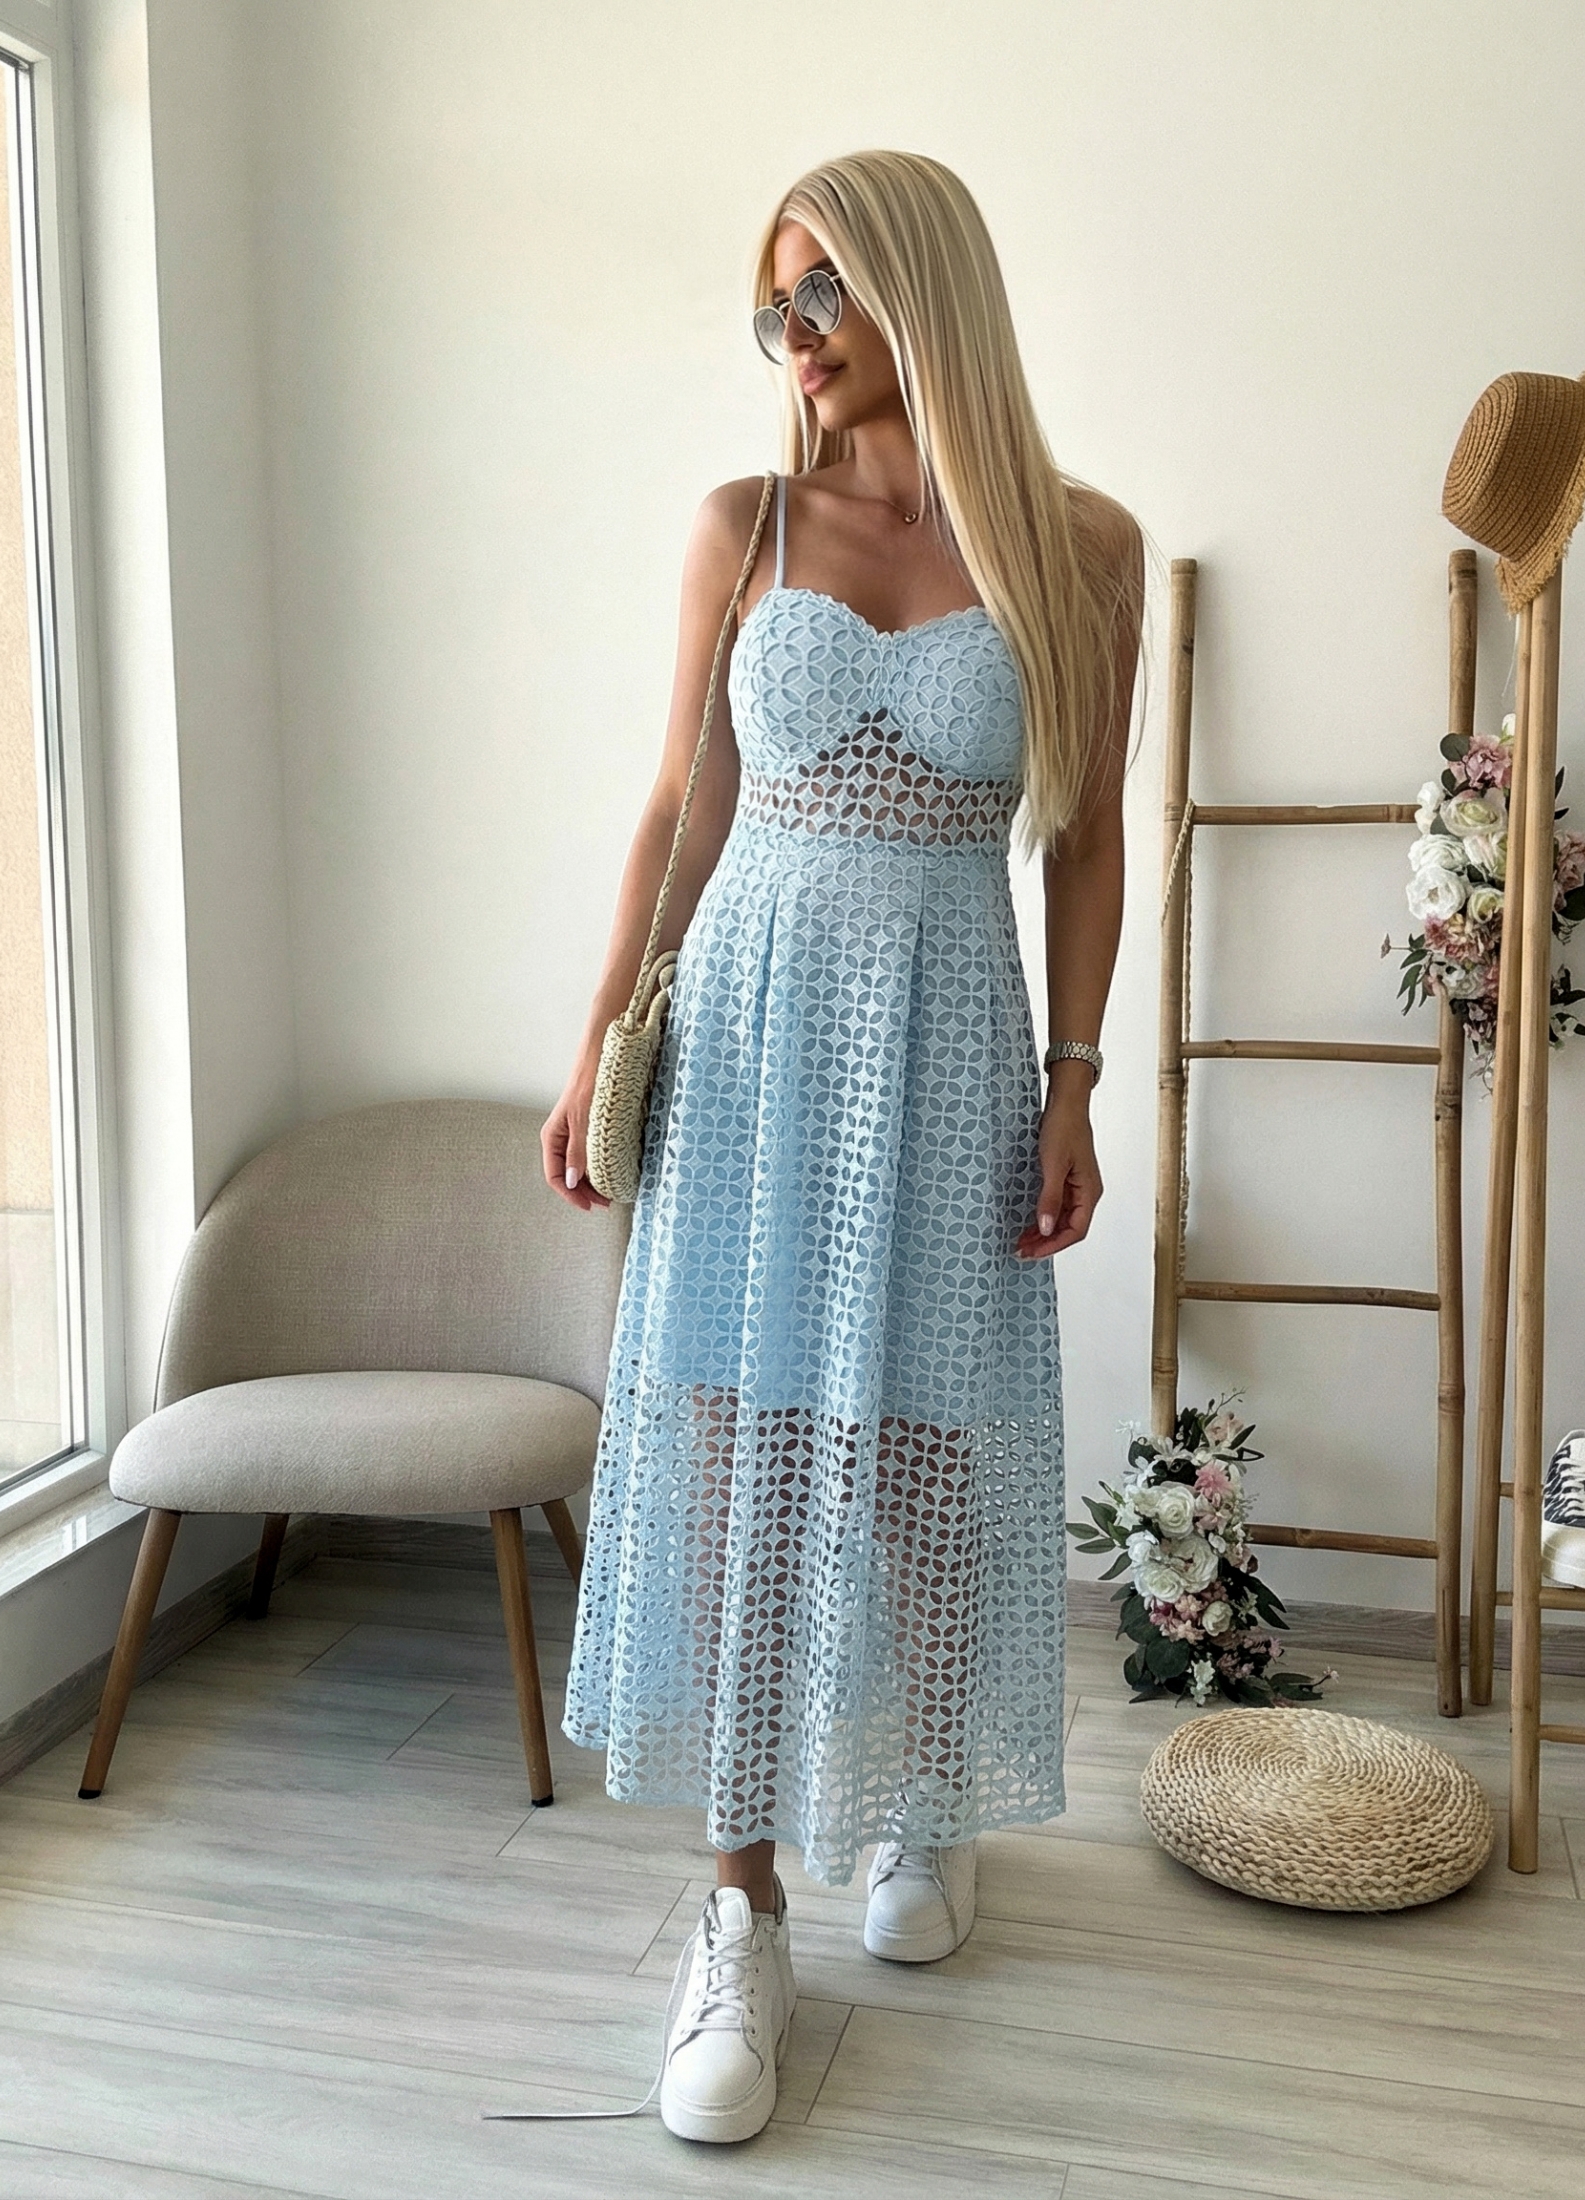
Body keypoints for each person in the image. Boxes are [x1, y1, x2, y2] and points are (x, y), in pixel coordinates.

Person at [543, 148, 1142, 2145]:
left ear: (922, 290)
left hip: (955, 1032)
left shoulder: (1082, 545)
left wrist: (1074, 1078)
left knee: (922, 1447)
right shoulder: (748, 523)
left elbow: (1084, 837)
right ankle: (738, 1910)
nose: (791, 336)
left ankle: (923, 1797)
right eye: (771, 304)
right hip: (750, 1033)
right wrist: (597, 1035)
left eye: (823, 294)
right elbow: (677, 804)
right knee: (739, 1454)